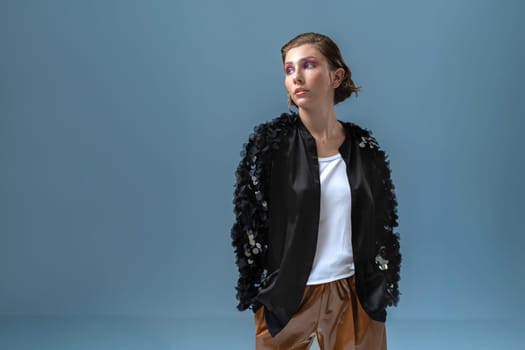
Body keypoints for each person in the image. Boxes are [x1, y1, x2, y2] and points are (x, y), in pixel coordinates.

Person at [231, 32, 401, 350]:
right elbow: (249, 225)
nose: (297, 76)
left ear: (337, 76)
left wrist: (379, 284)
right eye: (289, 69)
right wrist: (261, 294)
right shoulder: (271, 147)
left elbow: (383, 224)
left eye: (308, 65)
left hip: (354, 294)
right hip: (289, 296)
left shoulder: (365, 149)